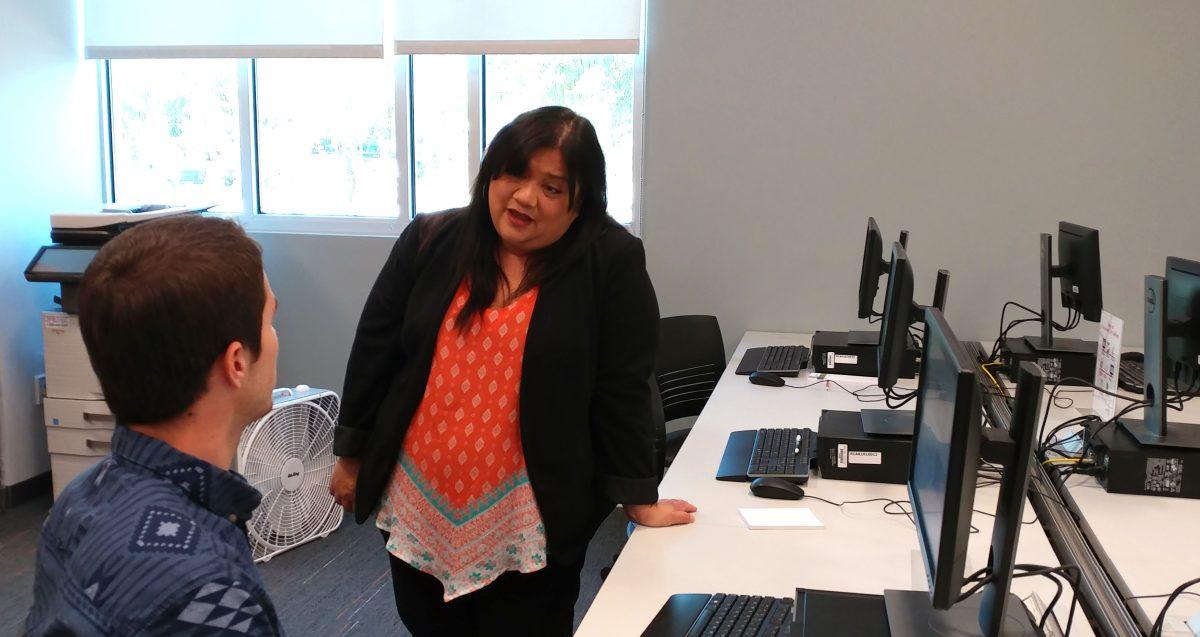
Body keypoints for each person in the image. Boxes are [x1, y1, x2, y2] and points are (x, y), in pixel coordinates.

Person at [330, 106, 696, 635]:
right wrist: (352, 453)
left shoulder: (609, 262)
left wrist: (639, 498)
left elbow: (623, 388)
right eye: (515, 173)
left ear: (579, 205)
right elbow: (375, 352)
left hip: (531, 514)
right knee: (425, 623)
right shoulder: (434, 239)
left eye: (552, 188)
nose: (526, 196)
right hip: (418, 498)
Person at [25, 216, 285, 636]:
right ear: (236, 362)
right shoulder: (208, 591)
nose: (275, 338)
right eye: (270, 320)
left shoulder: (79, 498)